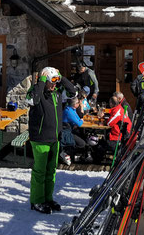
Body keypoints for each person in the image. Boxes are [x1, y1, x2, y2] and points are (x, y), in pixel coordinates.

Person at [29, 67, 76, 214]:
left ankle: (48, 198)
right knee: (40, 172)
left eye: (56, 82)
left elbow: (72, 92)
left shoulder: (56, 94)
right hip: (40, 139)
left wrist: (60, 77)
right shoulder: (35, 92)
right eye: (52, 81)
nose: (55, 85)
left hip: (55, 138)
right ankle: (37, 200)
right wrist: (42, 80)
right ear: (45, 81)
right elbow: (33, 99)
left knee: (51, 172)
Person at [61, 97, 89, 163]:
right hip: (66, 132)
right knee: (82, 143)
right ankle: (66, 152)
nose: (79, 104)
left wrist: (78, 121)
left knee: (83, 136)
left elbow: (77, 118)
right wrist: (81, 120)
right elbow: (79, 123)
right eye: (78, 103)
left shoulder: (72, 109)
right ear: (75, 104)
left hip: (70, 129)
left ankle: (81, 154)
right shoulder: (69, 111)